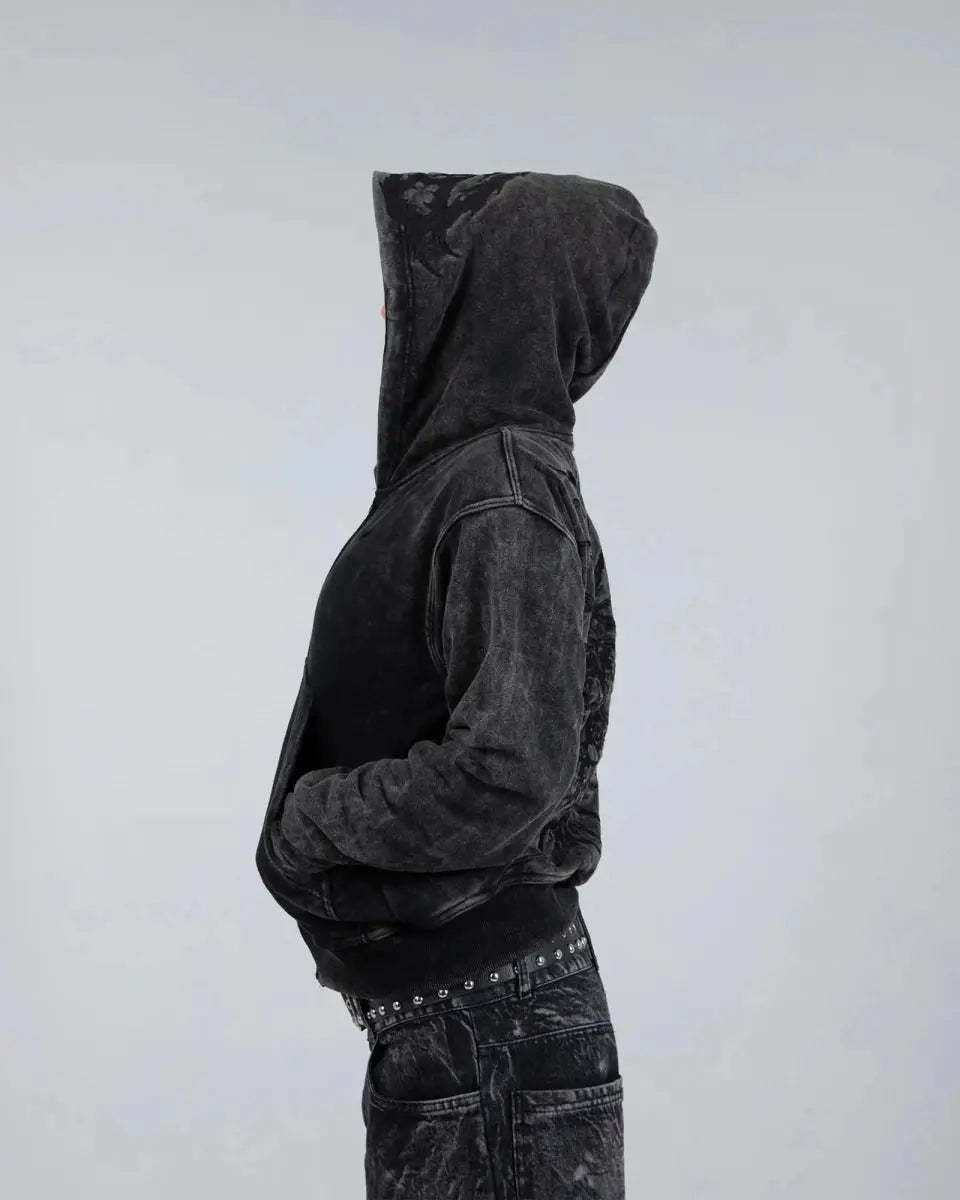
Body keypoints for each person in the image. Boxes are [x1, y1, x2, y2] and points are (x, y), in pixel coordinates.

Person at [255, 168, 658, 1198]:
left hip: (493, 1034)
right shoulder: (464, 480)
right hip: (468, 1029)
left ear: (500, 296)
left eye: (437, 283)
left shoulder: (502, 495)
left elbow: (510, 769)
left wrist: (313, 820)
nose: (402, 312)